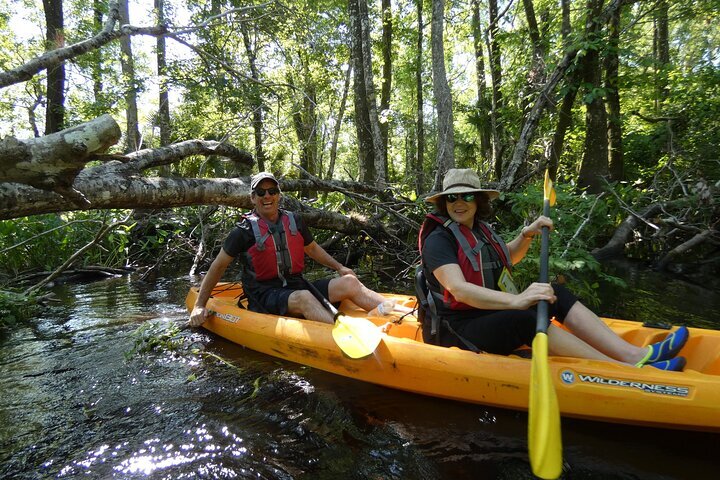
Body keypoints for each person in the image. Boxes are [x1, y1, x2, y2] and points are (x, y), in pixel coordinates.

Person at [419, 168, 688, 371]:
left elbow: (506, 259)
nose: (459, 202)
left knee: (553, 292)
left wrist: (527, 235)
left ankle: (633, 355)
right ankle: (619, 371)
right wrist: (517, 300)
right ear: (444, 202)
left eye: (466, 196)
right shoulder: (438, 239)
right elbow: (459, 289)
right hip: (458, 330)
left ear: (478, 201)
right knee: (523, 319)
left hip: (486, 313)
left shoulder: (477, 229)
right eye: (452, 197)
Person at [190, 171, 390, 327]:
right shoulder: (243, 231)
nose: (267, 196)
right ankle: (344, 336)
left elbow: (311, 249)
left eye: (272, 191)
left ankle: (397, 314)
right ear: (253, 198)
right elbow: (218, 266)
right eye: (261, 192)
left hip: (295, 285)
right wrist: (199, 305)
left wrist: (340, 267)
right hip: (264, 295)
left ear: (278, 195)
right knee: (305, 298)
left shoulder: (294, 221)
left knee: (350, 283)